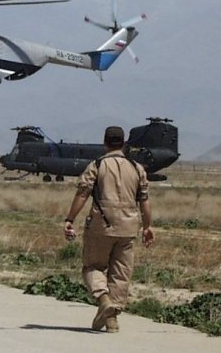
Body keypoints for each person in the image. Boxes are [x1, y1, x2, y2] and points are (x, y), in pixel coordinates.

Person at [64, 126, 154, 333]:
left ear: (105, 142)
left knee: (92, 267)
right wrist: (147, 226)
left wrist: (70, 219)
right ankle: (112, 320)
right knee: (121, 274)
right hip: (129, 227)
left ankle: (104, 300)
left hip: (101, 226)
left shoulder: (97, 165)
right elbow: (145, 200)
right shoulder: (137, 167)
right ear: (123, 143)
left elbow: (82, 193)